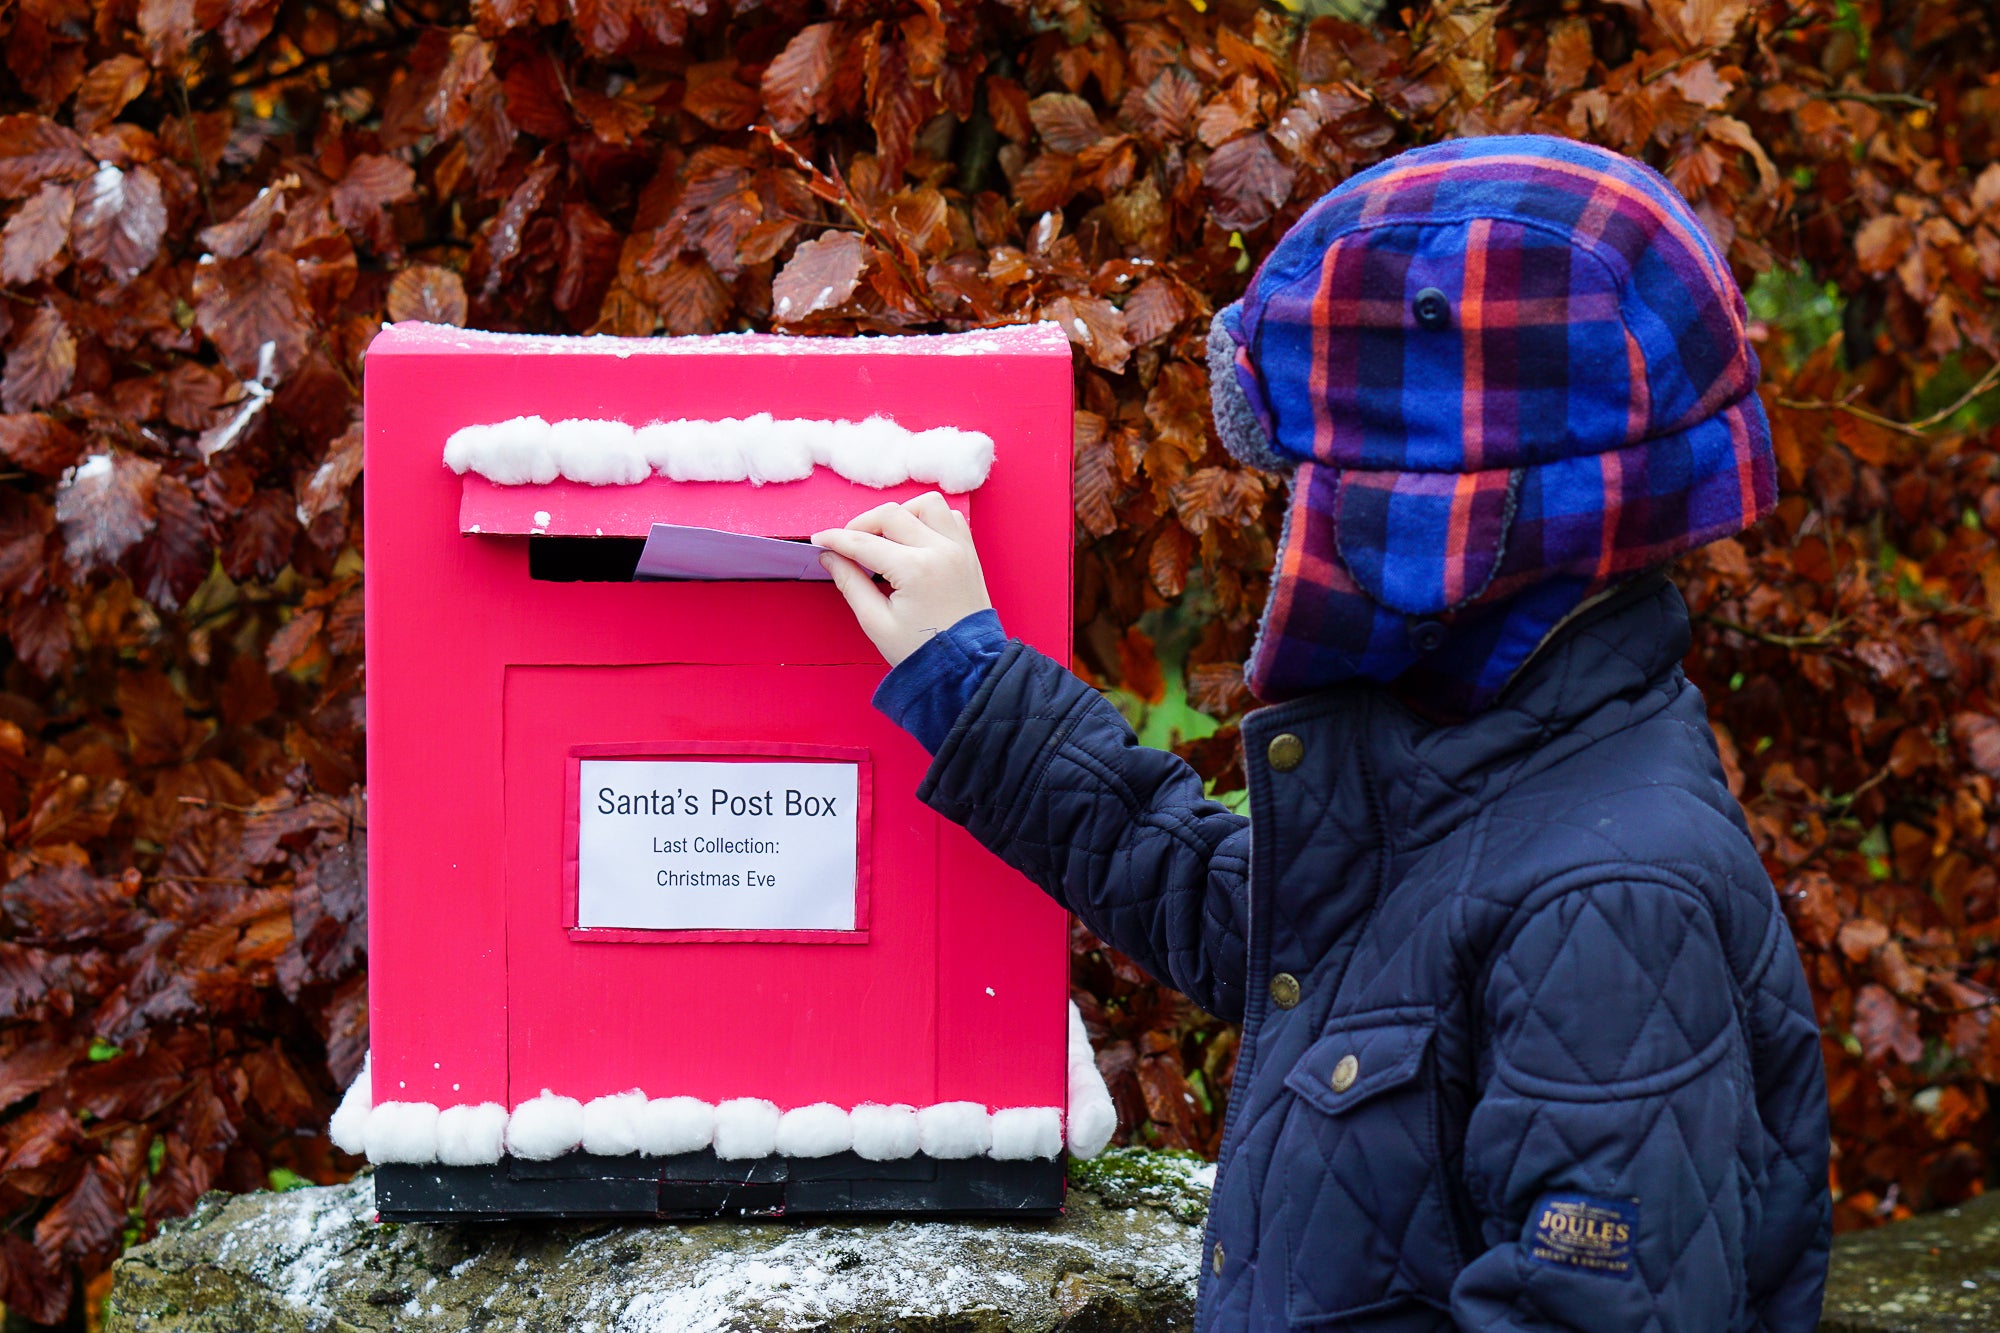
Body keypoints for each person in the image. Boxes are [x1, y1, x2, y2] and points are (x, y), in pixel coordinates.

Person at [812, 136, 1831, 1331]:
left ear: (1433, 538)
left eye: (1313, 485)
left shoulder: (1605, 906)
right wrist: (970, 683)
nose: (1295, 524)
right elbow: (1234, 910)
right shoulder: (1490, 761)